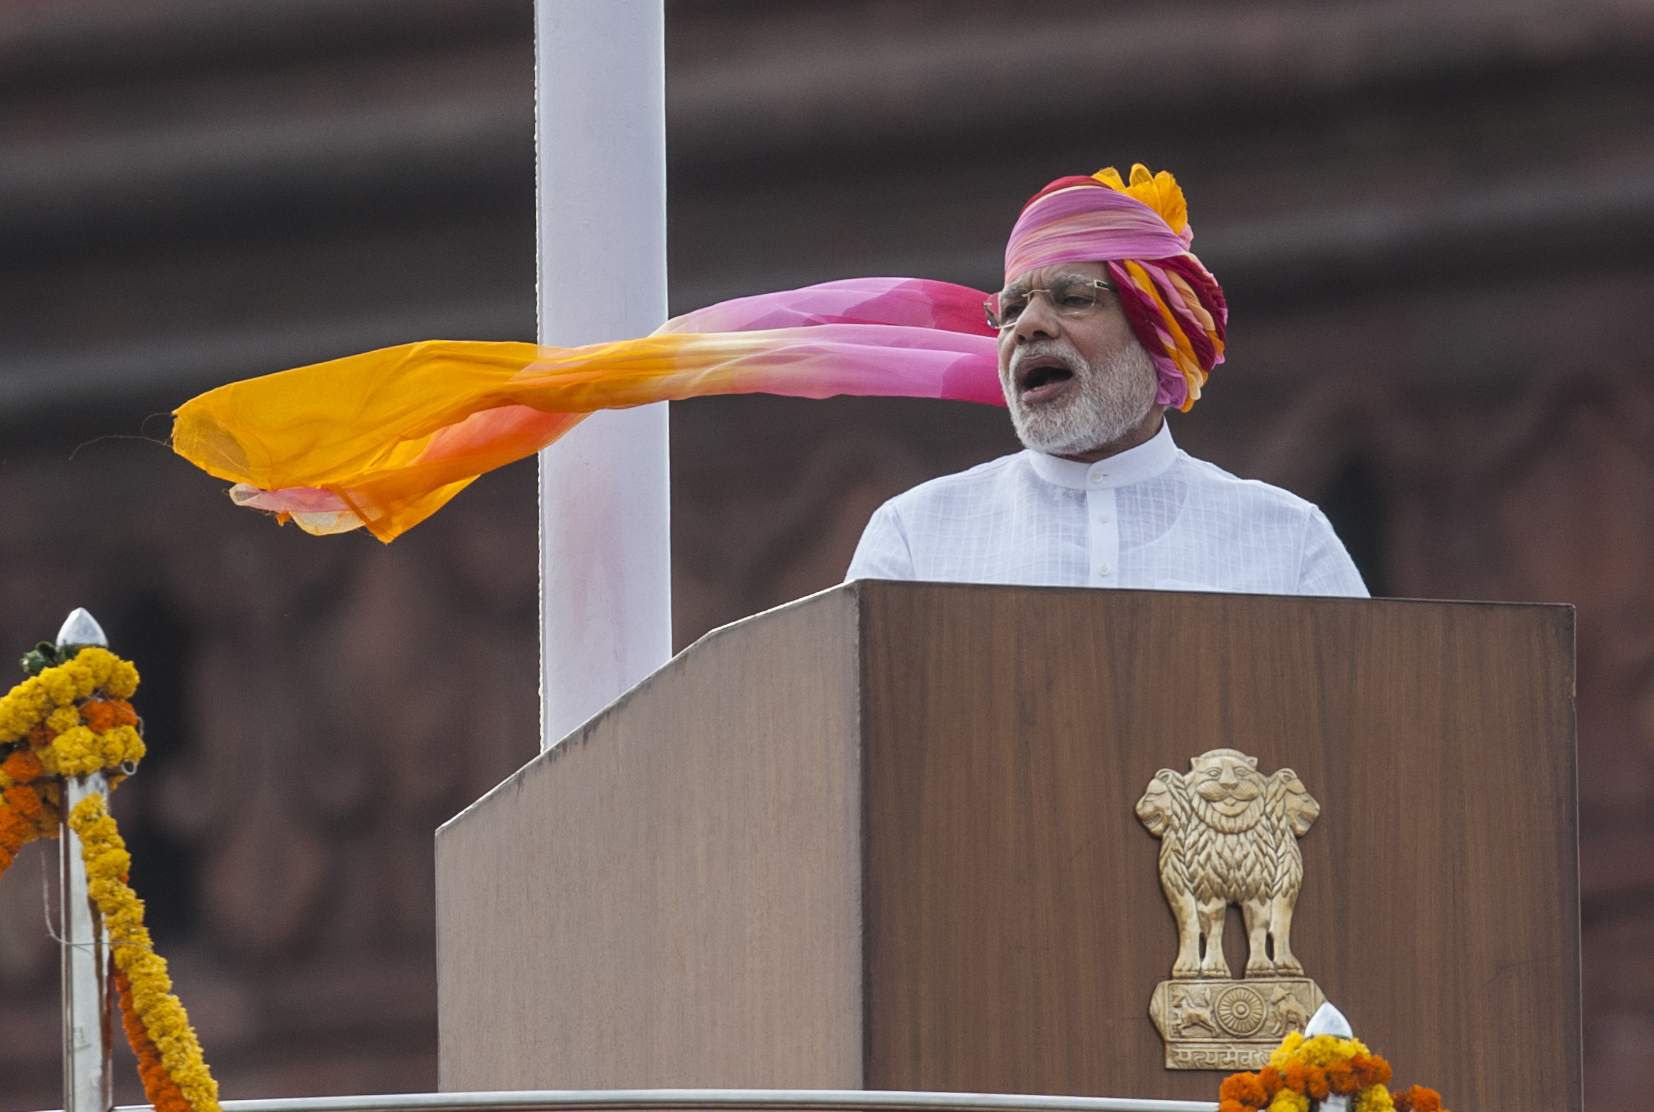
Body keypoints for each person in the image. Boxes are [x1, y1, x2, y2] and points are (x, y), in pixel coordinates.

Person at [845, 168, 1367, 597]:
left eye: (1073, 298)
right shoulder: (914, 537)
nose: (1027, 327)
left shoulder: (1288, 540)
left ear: (1155, 330)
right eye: (1010, 309)